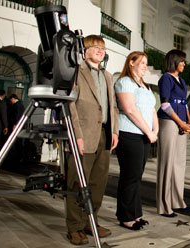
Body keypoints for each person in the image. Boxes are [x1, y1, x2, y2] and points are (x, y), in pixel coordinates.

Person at [66, 35, 119, 245]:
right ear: (85, 50)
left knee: (98, 183)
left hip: (105, 135)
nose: (100, 50)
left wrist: (114, 131)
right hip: (84, 135)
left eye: (102, 48)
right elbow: (70, 106)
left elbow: (112, 106)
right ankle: (74, 227)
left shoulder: (107, 75)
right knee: (77, 182)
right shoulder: (76, 73)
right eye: (95, 47)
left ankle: (91, 222)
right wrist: (77, 134)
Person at [114, 51, 158, 230]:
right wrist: (149, 131)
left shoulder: (145, 86)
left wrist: (155, 130)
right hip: (129, 134)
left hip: (145, 135)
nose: (145, 67)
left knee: (136, 176)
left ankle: (136, 214)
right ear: (131, 63)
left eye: (146, 63)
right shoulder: (124, 82)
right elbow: (130, 109)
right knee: (129, 176)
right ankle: (125, 216)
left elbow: (152, 110)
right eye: (142, 63)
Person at [156, 49, 190, 217]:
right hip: (168, 122)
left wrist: (189, 121)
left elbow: (184, 104)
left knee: (179, 163)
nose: (184, 64)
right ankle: (164, 206)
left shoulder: (182, 81)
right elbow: (164, 105)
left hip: (180, 122)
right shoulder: (166, 78)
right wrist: (181, 123)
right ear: (174, 61)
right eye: (182, 61)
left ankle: (177, 201)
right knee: (167, 163)